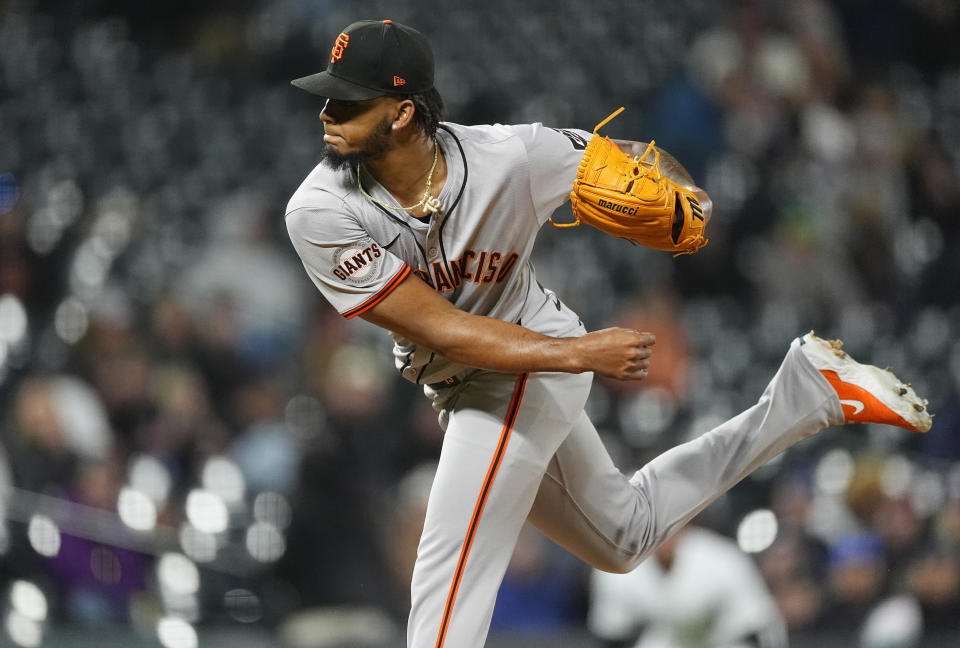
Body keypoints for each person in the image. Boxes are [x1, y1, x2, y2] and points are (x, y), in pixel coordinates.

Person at [284, 19, 932, 648]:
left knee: (446, 575)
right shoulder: (322, 209)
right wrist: (578, 354)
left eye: (347, 101)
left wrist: (686, 199)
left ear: (401, 113)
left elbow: (624, 160)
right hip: (498, 367)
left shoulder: (507, 156)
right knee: (625, 536)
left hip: (521, 370)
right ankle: (809, 394)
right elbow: (444, 329)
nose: (327, 114)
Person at [588, 523, 788, 648]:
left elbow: (762, 626)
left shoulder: (720, 559)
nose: (659, 535)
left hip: (722, 640)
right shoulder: (615, 569)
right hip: (670, 640)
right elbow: (611, 636)